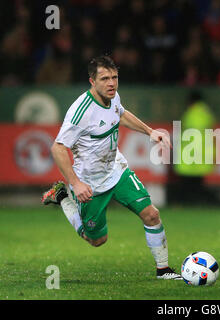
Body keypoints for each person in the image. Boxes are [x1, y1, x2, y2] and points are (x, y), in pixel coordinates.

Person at [41, 55, 182, 280]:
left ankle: (163, 270)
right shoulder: (81, 112)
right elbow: (58, 148)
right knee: (97, 240)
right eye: (105, 78)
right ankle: (62, 197)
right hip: (90, 182)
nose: (111, 83)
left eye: (114, 77)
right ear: (92, 82)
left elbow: (121, 114)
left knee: (152, 215)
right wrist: (76, 184)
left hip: (116, 170)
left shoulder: (113, 97)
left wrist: (150, 131)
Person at [172, 90, 216, 204]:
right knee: (198, 183)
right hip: (203, 153)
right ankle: (199, 202)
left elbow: (188, 131)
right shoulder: (207, 113)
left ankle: (187, 202)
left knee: (187, 184)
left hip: (189, 153)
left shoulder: (191, 113)